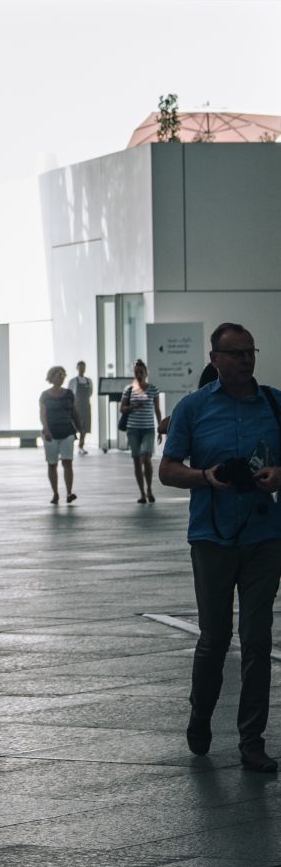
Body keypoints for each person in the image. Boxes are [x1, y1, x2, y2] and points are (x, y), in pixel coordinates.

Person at [160, 323, 281, 773]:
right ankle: (201, 713)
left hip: (264, 536)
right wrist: (206, 477)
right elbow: (168, 470)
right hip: (211, 538)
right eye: (235, 353)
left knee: (257, 638)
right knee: (215, 638)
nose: (246, 360)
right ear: (214, 358)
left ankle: (253, 740)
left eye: (250, 352)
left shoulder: (274, 403)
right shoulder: (193, 408)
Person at [120, 359, 163, 505]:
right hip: (133, 429)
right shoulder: (129, 389)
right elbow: (122, 408)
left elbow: (157, 410)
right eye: (136, 372)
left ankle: (149, 488)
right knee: (137, 461)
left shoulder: (153, 389)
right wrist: (132, 407)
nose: (138, 375)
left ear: (146, 373)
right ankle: (142, 493)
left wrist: (160, 429)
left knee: (146, 458)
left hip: (148, 429)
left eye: (141, 372)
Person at [39, 367, 78, 505]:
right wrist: (46, 430)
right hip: (51, 433)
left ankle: (69, 492)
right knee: (52, 464)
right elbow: (43, 414)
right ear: (51, 377)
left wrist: (79, 428)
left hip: (67, 431)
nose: (61, 377)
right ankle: (55, 493)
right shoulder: (45, 395)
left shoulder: (69, 394)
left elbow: (74, 412)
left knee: (67, 462)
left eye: (63, 375)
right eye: (58, 375)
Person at [69, 361, 94, 452]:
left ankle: (81, 446)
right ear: (77, 368)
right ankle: (70, 444)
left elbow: (90, 392)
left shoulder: (89, 381)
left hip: (86, 405)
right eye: (80, 367)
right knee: (74, 425)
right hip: (76, 405)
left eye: (83, 367)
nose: (82, 369)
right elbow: (70, 394)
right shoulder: (73, 381)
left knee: (84, 427)